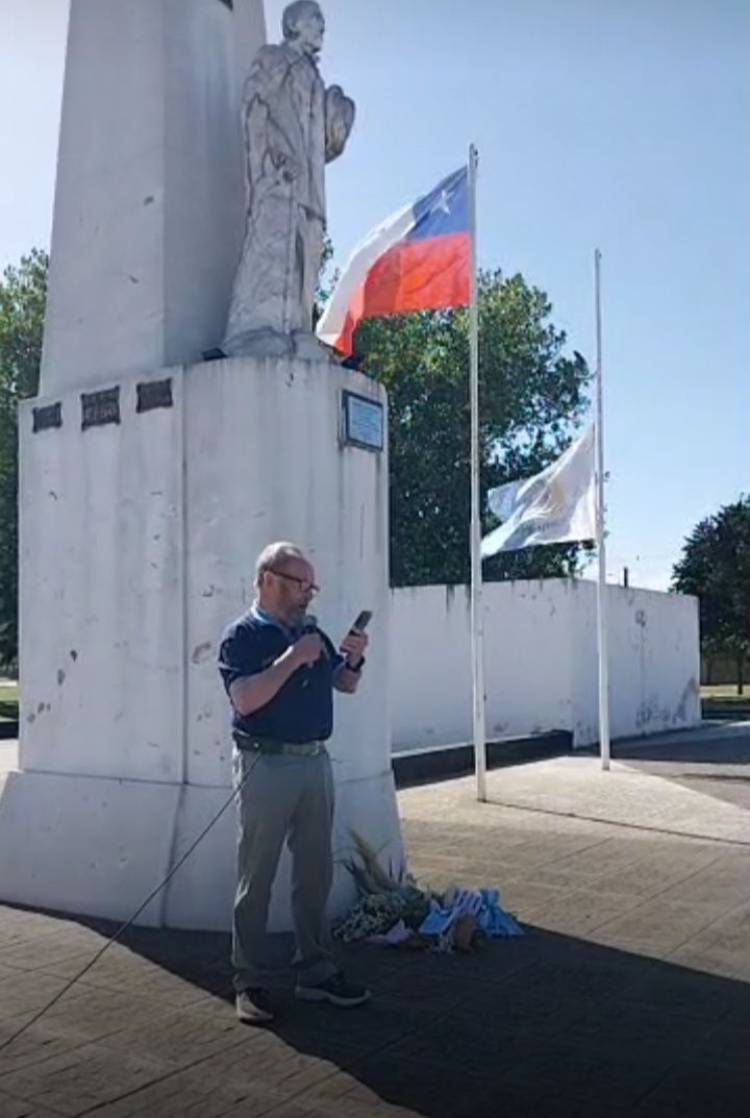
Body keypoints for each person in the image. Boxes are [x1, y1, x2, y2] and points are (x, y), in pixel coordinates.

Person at [218, 541, 370, 1024]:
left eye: (312, 586)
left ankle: (315, 971)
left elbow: (342, 685)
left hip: (313, 763)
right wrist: (290, 658)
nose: (308, 594)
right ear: (267, 580)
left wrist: (353, 660)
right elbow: (244, 700)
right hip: (266, 764)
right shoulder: (241, 636)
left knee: (314, 872)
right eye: (299, 583)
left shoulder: (312, 633)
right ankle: (250, 981)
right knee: (256, 876)